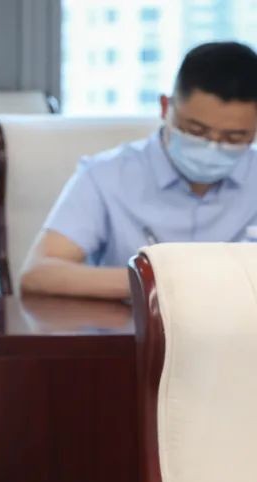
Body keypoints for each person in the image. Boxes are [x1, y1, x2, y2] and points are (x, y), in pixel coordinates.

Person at [20, 41, 257, 300]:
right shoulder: (105, 175)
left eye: (234, 138)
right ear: (165, 107)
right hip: (132, 323)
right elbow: (38, 273)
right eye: (196, 131)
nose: (212, 147)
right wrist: (160, 281)